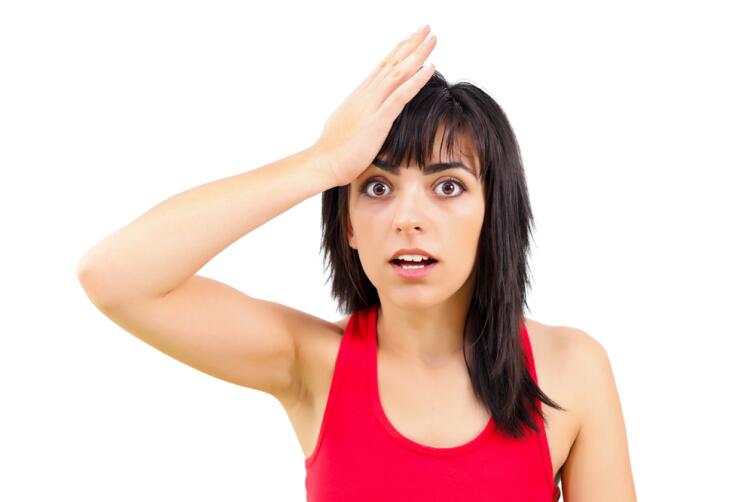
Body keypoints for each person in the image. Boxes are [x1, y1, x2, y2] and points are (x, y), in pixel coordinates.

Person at [76, 24, 636, 501]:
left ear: (495, 213)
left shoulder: (572, 369)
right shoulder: (311, 362)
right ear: (347, 225)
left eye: (447, 185)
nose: (408, 219)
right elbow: (113, 276)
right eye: (377, 187)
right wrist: (321, 163)